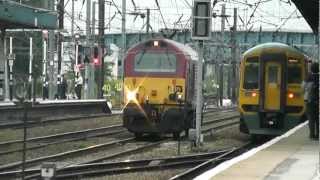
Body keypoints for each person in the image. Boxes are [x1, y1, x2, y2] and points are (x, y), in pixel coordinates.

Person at [303, 62, 319, 139]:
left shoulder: (308, 77)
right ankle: (318, 134)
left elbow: (303, 88)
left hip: (310, 101)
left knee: (311, 118)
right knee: (318, 119)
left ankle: (312, 135)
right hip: (318, 101)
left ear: (311, 69)